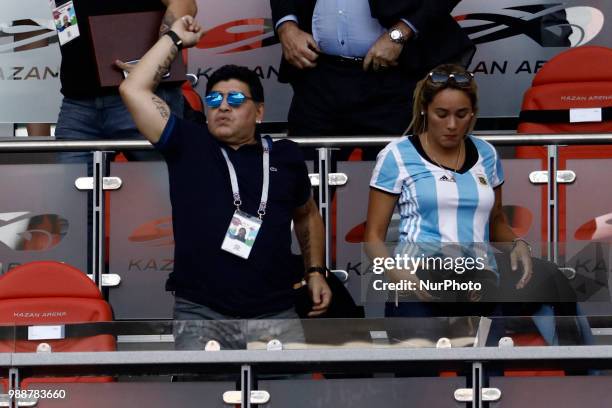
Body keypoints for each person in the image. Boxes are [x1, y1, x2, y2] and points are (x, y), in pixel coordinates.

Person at [119, 16, 332, 349]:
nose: (223, 108)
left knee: (292, 396)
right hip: (202, 312)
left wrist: (316, 270)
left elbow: (306, 213)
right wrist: (174, 38)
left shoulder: (286, 156)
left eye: (235, 100)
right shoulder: (188, 143)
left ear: (259, 112)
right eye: (215, 100)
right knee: (201, 399)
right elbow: (133, 88)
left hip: (275, 311)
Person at [364, 64, 583, 345]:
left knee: (486, 383)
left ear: (473, 114)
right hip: (418, 284)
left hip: (479, 286)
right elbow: (373, 238)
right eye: (441, 114)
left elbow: (497, 222)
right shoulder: (396, 155)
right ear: (424, 111)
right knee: (417, 386)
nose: (452, 125)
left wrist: (517, 245)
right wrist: (399, 276)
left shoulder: (487, 154)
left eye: (461, 114)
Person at [270, 0, 475, 159]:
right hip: (318, 75)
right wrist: (286, 26)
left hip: (393, 77)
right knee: (304, 185)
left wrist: (401, 32)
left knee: (397, 185)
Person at [51, 0, 197, 158]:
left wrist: (155, 60)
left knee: (160, 180)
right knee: (70, 181)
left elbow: (184, 4)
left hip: (145, 94)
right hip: (78, 104)